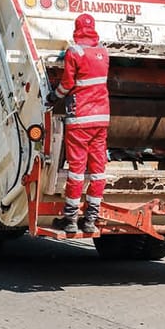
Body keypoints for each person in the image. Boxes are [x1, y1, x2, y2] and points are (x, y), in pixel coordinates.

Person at [46, 13, 110, 234]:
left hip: (80, 119)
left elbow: (68, 83)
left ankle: (71, 218)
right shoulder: (104, 52)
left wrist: (54, 96)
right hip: (102, 118)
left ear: (77, 28)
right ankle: (91, 218)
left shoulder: (75, 52)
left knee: (76, 170)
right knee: (98, 170)